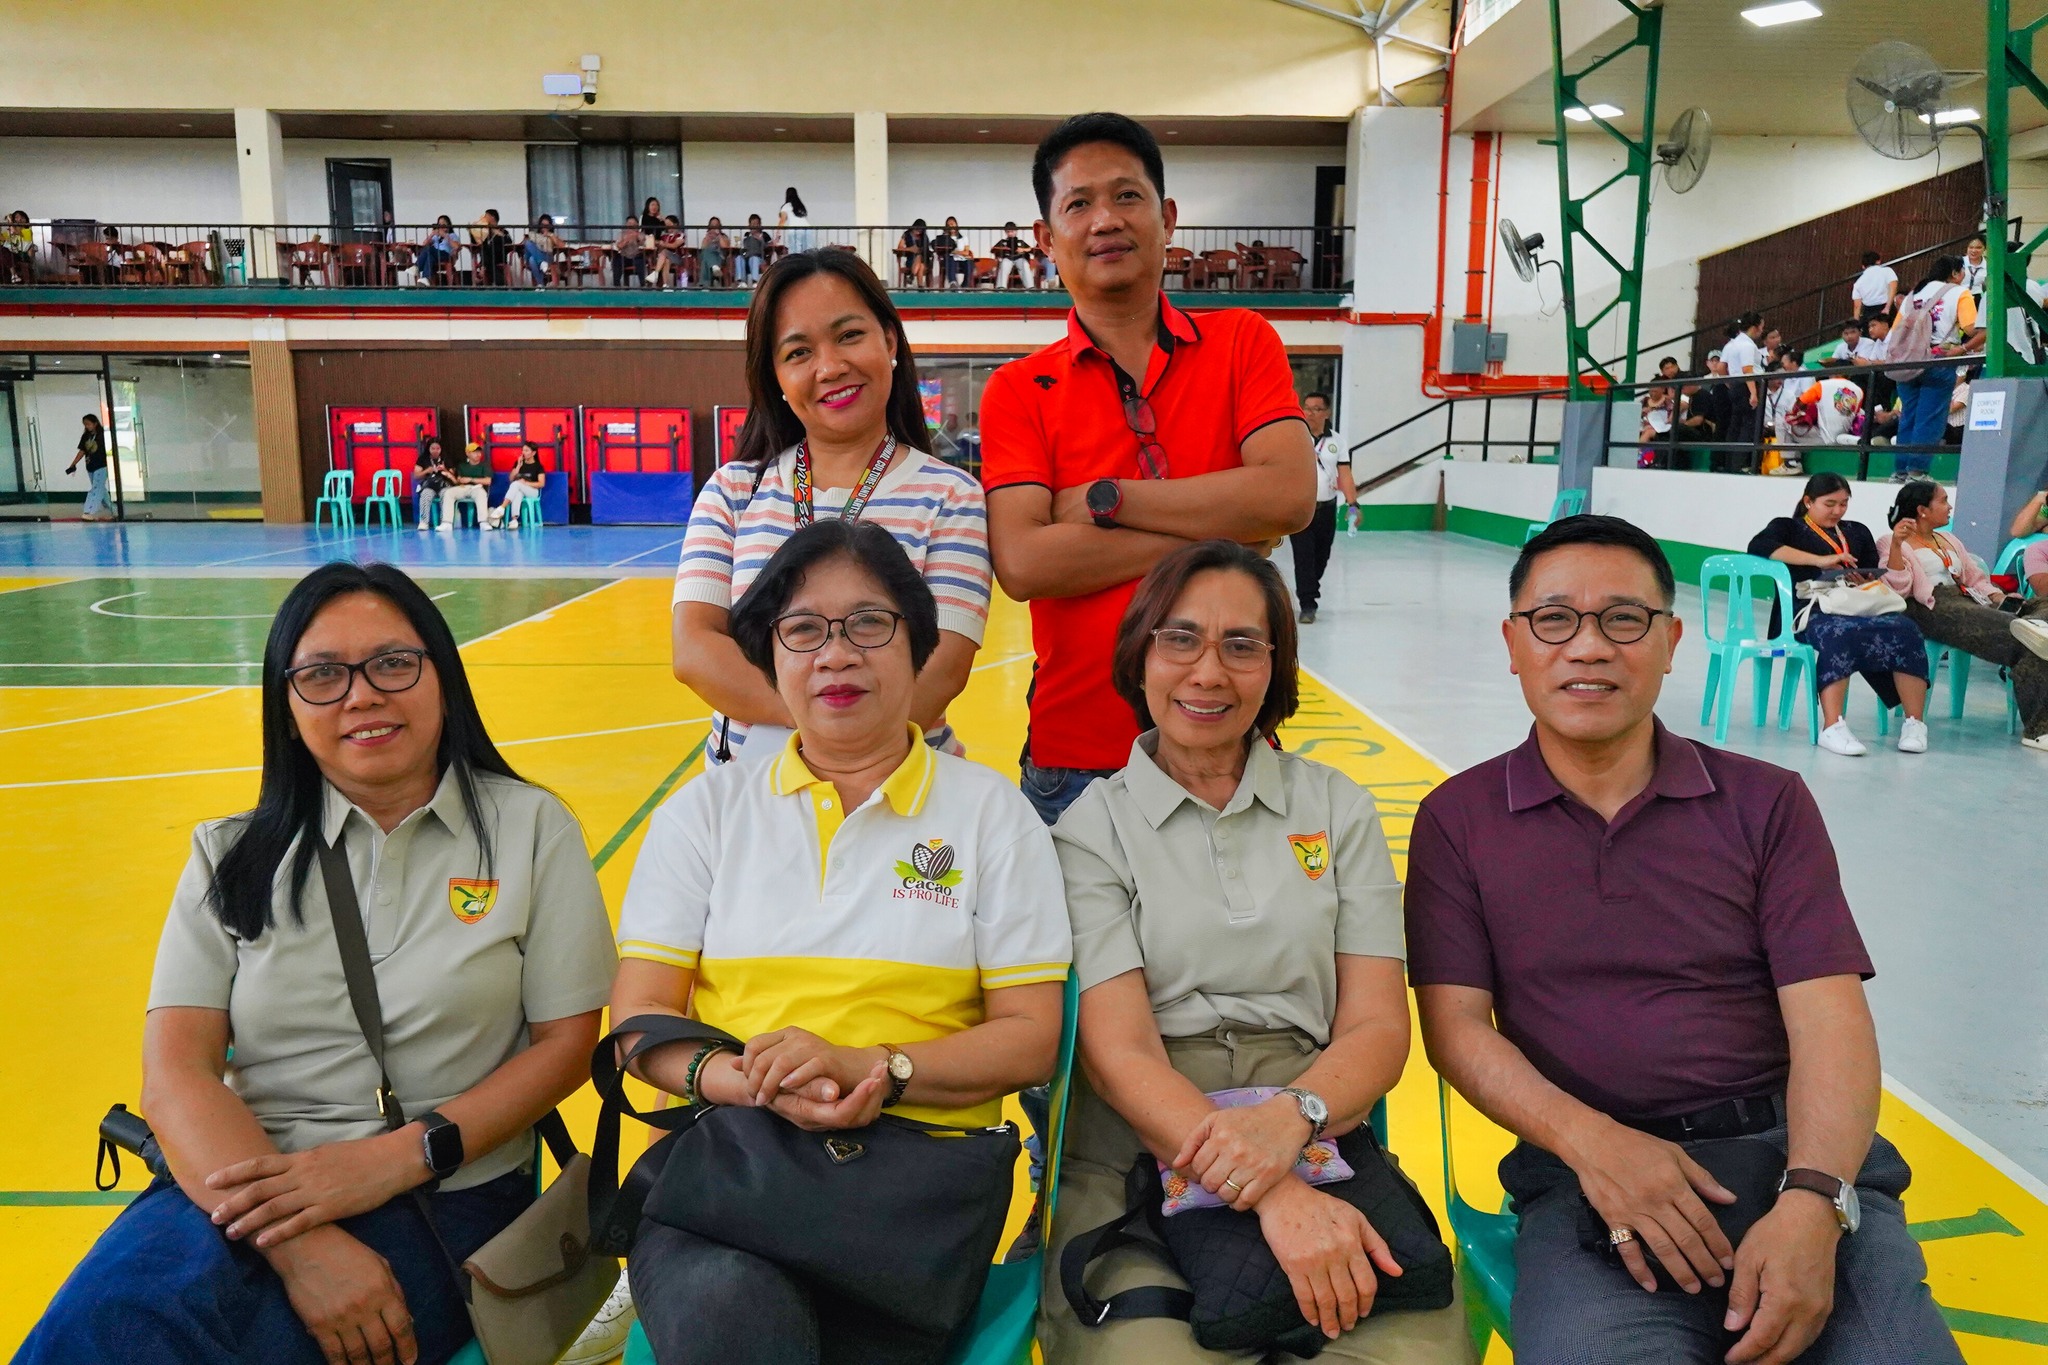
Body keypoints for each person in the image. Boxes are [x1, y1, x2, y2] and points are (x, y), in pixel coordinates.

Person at [16, 562, 617, 1365]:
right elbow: (177, 1073)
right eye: (323, 675)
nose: (362, 695)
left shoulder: (530, 828)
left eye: (393, 663)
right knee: (103, 1330)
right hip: (243, 1185)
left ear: (443, 677)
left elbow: (567, 1046)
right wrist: (301, 1243)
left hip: (447, 1193)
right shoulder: (229, 854)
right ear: (288, 709)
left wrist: (389, 1161)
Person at [1405, 514, 1963, 1365]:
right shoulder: (1459, 821)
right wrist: (1595, 1144)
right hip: (1591, 1178)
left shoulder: (1766, 804)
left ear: (1670, 642)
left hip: (1791, 1158)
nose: (1589, 646)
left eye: (1623, 619)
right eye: (1554, 619)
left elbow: (1831, 1020)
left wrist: (1813, 1201)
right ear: (1513, 644)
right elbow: (1453, 1029)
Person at [611, 519, 1071, 1363]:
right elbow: (637, 1026)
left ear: (918, 645)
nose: (836, 654)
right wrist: (749, 1081)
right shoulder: (704, 814)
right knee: (730, 1311)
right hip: (723, 1180)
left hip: (911, 1199)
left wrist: (879, 1068)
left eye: (868, 623)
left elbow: (1031, 1037)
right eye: (803, 629)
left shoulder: (991, 816)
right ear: (770, 656)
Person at [1039, 540, 1471, 1364]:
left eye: (1241, 644)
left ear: (1275, 667)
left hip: (1317, 1122)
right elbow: (1122, 1057)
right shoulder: (1090, 831)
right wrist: (1270, 1188)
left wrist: (1292, 1122)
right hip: (1143, 1146)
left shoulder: (1337, 808)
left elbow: (1379, 1027)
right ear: (1140, 655)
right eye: (1180, 638)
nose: (1208, 672)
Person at [980, 111, 1316, 826]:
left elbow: (1289, 495)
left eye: (1127, 196)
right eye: (1078, 203)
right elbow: (1025, 563)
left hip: (1234, 751)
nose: (1106, 219)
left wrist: (1108, 500)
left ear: (1167, 219)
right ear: (1046, 238)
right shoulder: (1018, 389)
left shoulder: (1243, 342)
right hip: (1077, 766)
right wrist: (1228, 536)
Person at [672, 248, 992, 766]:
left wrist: (820, 729)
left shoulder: (951, 495)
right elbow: (695, 650)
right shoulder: (733, 491)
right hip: (750, 791)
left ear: (889, 340)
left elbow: (944, 669)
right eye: (799, 352)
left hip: (901, 791)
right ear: (775, 376)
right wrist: (829, 718)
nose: (830, 367)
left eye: (849, 336)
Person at [1747, 474, 1929, 756]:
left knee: (1906, 629)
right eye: (1829, 504)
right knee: (1840, 632)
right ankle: (1832, 725)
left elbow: (1871, 572)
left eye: (1843, 504)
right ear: (1809, 502)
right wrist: (1822, 561)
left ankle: (1914, 722)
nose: (1837, 511)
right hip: (1807, 609)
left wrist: (1863, 577)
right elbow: (1759, 546)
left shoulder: (1856, 531)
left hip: (1855, 605)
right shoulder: (1787, 527)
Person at [1880, 479, 2048, 750]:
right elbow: (1897, 589)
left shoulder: (1948, 539)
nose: (1949, 507)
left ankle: (2033, 626)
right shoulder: (1890, 541)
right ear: (1923, 510)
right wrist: (1897, 547)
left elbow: (1975, 579)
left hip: (1970, 599)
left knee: (2041, 610)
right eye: (1943, 501)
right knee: (2026, 638)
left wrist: (1999, 598)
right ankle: (2038, 729)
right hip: (1931, 606)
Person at [1892, 257, 1975, 474]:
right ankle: (1917, 471)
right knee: (1930, 417)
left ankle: (1900, 471)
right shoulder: (1960, 292)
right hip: (1939, 359)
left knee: (1908, 416)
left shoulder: (1913, 295)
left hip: (1908, 361)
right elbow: (1971, 328)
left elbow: (1895, 331)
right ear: (1955, 273)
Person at [1290, 391, 1355, 623]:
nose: (1310, 413)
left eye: (1316, 409)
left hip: (1327, 509)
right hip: (1301, 508)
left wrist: (1353, 505)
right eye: (1306, 408)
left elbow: (1345, 474)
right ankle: (1308, 604)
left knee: (1321, 557)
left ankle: (1310, 588)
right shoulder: (1294, 438)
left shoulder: (1337, 441)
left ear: (1327, 413)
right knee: (1304, 557)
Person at [1719, 313, 1766, 471]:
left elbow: (1721, 367)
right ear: (1755, 327)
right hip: (1748, 385)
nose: (1762, 331)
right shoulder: (1747, 345)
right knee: (1749, 426)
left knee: (1736, 425)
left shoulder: (1732, 344)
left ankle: (1730, 464)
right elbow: (1747, 369)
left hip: (1736, 384)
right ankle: (1741, 464)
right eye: (1761, 327)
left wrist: (1730, 383)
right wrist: (1753, 392)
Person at [65, 412, 113, 520]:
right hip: (90, 466)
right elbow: (82, 451)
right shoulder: (86, 436)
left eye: (88, 424)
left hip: (101, 465)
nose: (87, 426)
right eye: (85, 424)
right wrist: (73, 463)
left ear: (95, 423)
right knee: (100, 488)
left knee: (96, 488)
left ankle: (89, 511)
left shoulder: (102, 435)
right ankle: (114, 510)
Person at [489, 440, 546, 528]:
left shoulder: (538, 466)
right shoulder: (518, 463)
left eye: (526, 450)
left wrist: (526, 483)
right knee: (518, 492)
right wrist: (518, 466)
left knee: (516, 484)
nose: (523, 452)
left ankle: (502, 507)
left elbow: (541, 484)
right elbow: (511, 479)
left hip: (533, 491)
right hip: (519, 488)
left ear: (533, 453)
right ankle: (514, 520)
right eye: (523, 450)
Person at [441, 441, 492, 530]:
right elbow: (458, 481)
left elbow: (488, 481)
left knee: (481, 494)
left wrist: (471, 479)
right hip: (463, 487)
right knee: (448, 493)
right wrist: (452, 477)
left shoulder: (485, 465)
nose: (478, 454)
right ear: (468, 453)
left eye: (479, 452)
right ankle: (447, 523)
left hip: (477, 488)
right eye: (474, 452)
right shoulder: (462, 466)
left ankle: (483, 522)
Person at [413, 436, 454, 531]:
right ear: (428, 449)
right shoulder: (423, 459)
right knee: (425, 494)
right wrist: (427, 471)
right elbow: (416, 476)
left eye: (438, 448)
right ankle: (424, 522)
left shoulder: (446, 458)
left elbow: (453, 475)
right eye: (433, 448)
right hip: (429, 485)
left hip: (444, 484)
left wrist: (445, 469)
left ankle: (445, 522)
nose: (435, 451)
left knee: (446, 494)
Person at [1850, 248, 1898, 321]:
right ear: (1878, 261)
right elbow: (1893, 287)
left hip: (1868, 311)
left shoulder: (1858, 282)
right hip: (1886, 306)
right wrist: (1887, 307)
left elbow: (1857, 306)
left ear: (1863, 266)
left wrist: (1856, 322)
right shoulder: (1887, 271)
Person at [468, 209, 511, 287]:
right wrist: (472, 231)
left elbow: (509, 242)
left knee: (487, 254)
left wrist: (500, 235)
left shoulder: (503, 231)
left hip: (499, 256)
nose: (484, 218)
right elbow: (476, 242)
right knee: (485, 252)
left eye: (486, 216)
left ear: (492, 217)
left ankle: (482, 270)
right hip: (488, 257)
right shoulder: (485, 232)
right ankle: (500, 282)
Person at [521, 214, 565, 288]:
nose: (544, 227)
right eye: (543, 225)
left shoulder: (552, 235)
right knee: (528, 245)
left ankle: (540, 284)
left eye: (547, 225)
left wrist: (550, 235)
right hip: (538, 257)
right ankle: (541, 263)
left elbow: (562, 245)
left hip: (547, 257)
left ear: (550, 226)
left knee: (532, 260)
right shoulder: (535, 235)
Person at [415, 215, 460, 286]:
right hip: (435, 255)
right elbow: (424, 244)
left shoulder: (452, 235)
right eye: (439, 224)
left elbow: (456, 246)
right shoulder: (436, 237)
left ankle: (416, 267)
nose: (441, 226)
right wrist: (432, 235)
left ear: (448, 225)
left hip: (445, 255)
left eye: (443, 224)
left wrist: (445, 235)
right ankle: (426, 278)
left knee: (429, 249)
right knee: (429, 256)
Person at [992, 222, 1036, 290]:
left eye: (1012, 231)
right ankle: (1001, 287)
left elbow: (1030, 249)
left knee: (1024, 264)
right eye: (1008, 232)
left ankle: (1030, 287)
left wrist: (1022, 249)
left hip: (1019, 258)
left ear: (1016, 231)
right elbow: (993, 249)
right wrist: (1004, 248)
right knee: (1004, 264)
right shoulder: (1003, 241)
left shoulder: (1020, 242)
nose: (1010, 233)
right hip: (1007, 258)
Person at [933, 215, 970, 288]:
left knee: (969, 263)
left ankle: (964, 286)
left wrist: (955, 252)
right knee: (950, 258)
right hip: (950, 258)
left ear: (956, 225)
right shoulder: (944, 238)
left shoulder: (964, 238)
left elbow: (966, 252)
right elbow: (943, 249)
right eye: (948, 225)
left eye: (952, 224)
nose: (951, 226)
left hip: (962, 259)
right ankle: (953, 283)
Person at [896, 217, 932, 288]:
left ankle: (912, 276)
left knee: (920, 257)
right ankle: (920, 287)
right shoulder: (906, 234)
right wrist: (910, 249)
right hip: (911, 260)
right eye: (917, 229)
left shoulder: (924, 237)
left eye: (921, 230)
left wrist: (921, 250)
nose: (919, 231)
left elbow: (927, 249)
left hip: (924, 260)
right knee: (920, 266)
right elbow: (899, 247)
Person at [612, 216, 647, 288]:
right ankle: (616, 285)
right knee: (616, 260)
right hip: (624, 256)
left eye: (633, 223)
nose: (631, 225)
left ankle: (643, 285)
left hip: (637, 256)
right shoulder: (622, 234)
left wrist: (636, 236)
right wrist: (626, 240)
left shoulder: (641, 234)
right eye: (629, 223)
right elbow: (619, 246)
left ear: (637, 224)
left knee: (641, 260)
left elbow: (643, 244)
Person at [738, 213, 772, 285]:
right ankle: (741, 282)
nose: (755, 226)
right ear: (749, 225)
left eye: (757, 224)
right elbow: (742, 246)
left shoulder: (764, 234)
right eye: (753, 224)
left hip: (759, 258)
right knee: (739, 258)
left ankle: (755, 282)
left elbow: (770, 246)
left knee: (754, 259)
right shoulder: (746, 235)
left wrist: (761, 239)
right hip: (747, 258)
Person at [1, 209, 33, 284]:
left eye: (22, 217)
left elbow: (16, 232)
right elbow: (2, 240)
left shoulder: (27, 230)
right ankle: (13, 277)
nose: (20, 219)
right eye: (17, 217)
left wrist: (10, 221)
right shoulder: (8, 233)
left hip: (20, 254)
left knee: (3, 251)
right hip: (9, 254)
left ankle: (14, 275)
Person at [778, 186, 813, 255]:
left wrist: (777, 234)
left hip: (795, 229)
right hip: (807, 229)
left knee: (795, 252)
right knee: (807, 252)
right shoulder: (801, 206)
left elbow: (782, 221)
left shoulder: (786, 206)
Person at [698, 216, 729, 288]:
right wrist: (708, 238)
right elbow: (703, 248)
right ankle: (714, 267)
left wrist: (719, 236)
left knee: (705, 260)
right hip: (707, 257)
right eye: (712, 225)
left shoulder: (724, 237)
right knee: (706, 253)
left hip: (719, 257)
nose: (714, 227)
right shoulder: (706, 238)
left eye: (716, 225)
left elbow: (725, 247)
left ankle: (704, 284)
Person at [1961, 234, 1988, 303]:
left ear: (1984, 248)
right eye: (1971, 247)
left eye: (1978, 248)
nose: (1974, 250)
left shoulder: (1987, 266)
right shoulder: (1959, 262)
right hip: (1959, 296)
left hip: (1976, 298)